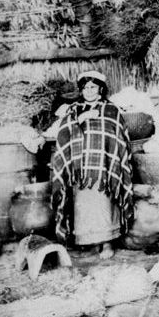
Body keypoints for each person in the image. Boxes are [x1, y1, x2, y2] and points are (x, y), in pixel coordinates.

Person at [51, 70, 133, 260]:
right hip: (80, 168)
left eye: (93, 87)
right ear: (81, 90)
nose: (89, 91)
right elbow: (63, 132)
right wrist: (81, 119)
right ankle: (89, 242)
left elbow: (118, 137)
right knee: (84, 207)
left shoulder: (111, 110)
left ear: (100, 89)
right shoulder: (73, 110)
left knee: (104, 205)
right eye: (85, 88)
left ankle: (107, 243)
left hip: (104, 169)